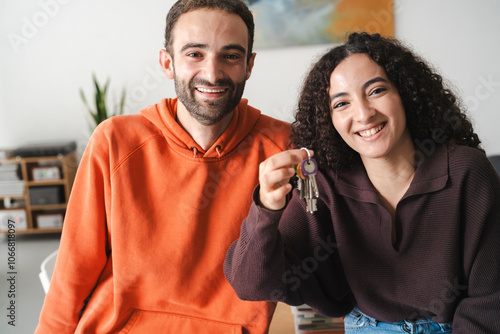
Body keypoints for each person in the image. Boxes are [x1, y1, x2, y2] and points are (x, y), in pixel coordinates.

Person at [35, 1, 290, 333]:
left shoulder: (283, 147)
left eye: (230, 55)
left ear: (249, 65)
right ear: (167, 62)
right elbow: (73, 273)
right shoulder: (114, 141)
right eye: (194, 54)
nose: (212, 74)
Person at [224, 32, 500, 333]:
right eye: (341, 104)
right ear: (329, 120)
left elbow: (489, 301)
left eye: (377, 90)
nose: (364, 114)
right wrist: (266, 209)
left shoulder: (467, 172)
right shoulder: (324, 184)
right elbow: (250, 283)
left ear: (406, 94)